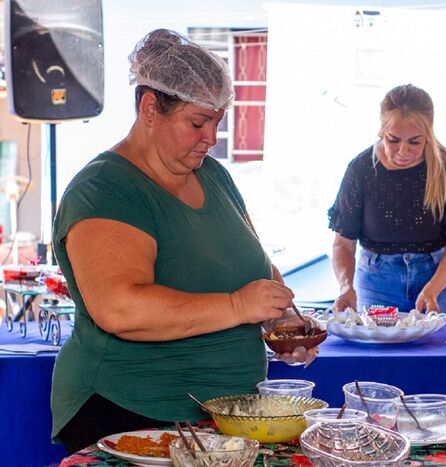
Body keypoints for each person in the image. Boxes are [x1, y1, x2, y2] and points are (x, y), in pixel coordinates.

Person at [50, 29, 315, 454]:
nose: (211, 138)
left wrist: (277, 321)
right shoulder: (105, 188)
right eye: (198, 123)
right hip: (132, 413)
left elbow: (256, 266)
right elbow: (120, 308)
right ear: (150, 108)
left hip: (224, 416)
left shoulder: (216, 176)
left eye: (218, 121)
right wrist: (235, 306)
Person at [328, 84, 446, 323]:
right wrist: (345, 287)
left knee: (441, 354)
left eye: (414, 142)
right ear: (381, 131)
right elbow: (343, 245)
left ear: (429, 134)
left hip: (437, 280)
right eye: (393, 140)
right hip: (377, 281)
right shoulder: (361, 169)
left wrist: (432, 289)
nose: (403, 151)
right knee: (380, 358)